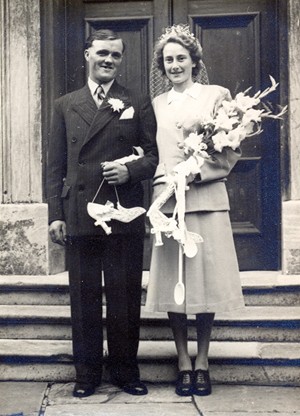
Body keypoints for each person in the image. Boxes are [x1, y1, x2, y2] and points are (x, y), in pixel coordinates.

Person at [47, 29, 158, 398]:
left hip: (122, 211)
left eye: (115, 55)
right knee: (84, 299)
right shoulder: (65, 104)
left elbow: (154, 157)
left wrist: (131, 171)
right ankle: (87, 375)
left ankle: (126, 372)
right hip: (80, 213)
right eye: (102, 53)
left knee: (125, 296)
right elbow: (56, 165)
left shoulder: (137, 101)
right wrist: (55, 214)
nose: (108, 60)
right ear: (87, 55)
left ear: (121, 60)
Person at [145, 24, 244, 397]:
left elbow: (230, 149)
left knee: (205, 284)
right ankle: (182, 361)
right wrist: (166, 182)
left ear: (194, 61)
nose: (175, 65)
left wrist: (196, 173)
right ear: (162, 65)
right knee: (176, 284)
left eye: (181, 58)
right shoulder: (156, 105)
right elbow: (154, 153)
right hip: (169, 203)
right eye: (168, 60)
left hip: (207, 200)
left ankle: (203, 360)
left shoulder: (216, 96)